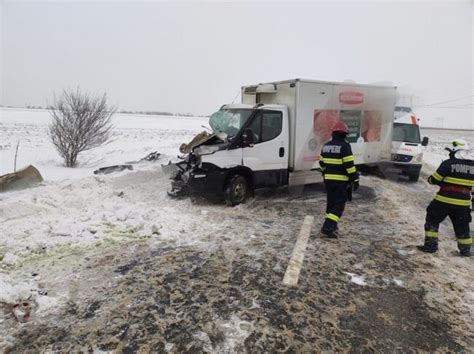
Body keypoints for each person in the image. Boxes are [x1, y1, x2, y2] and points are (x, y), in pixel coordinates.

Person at [418, 139, 473, 257]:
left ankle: (430, 247)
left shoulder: (448, 163)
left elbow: (434, 180)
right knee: (462, 225)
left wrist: (436, 180)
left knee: (432, 219)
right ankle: (465, 250)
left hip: (443, 201)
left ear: (454, 150)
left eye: (450, 151)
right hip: (463, 204)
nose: (449, 153)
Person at [319, 121, 360, 238]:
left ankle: (332, 226)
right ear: (344, 134)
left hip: (328, 181)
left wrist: (325, 173)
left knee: (331, 204)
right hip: (341, 181)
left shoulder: (326, 146)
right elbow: (349, 166)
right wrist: (355, 179)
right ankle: (327, 227)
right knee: (339, 205)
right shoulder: (345, 146)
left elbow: (321, 163)